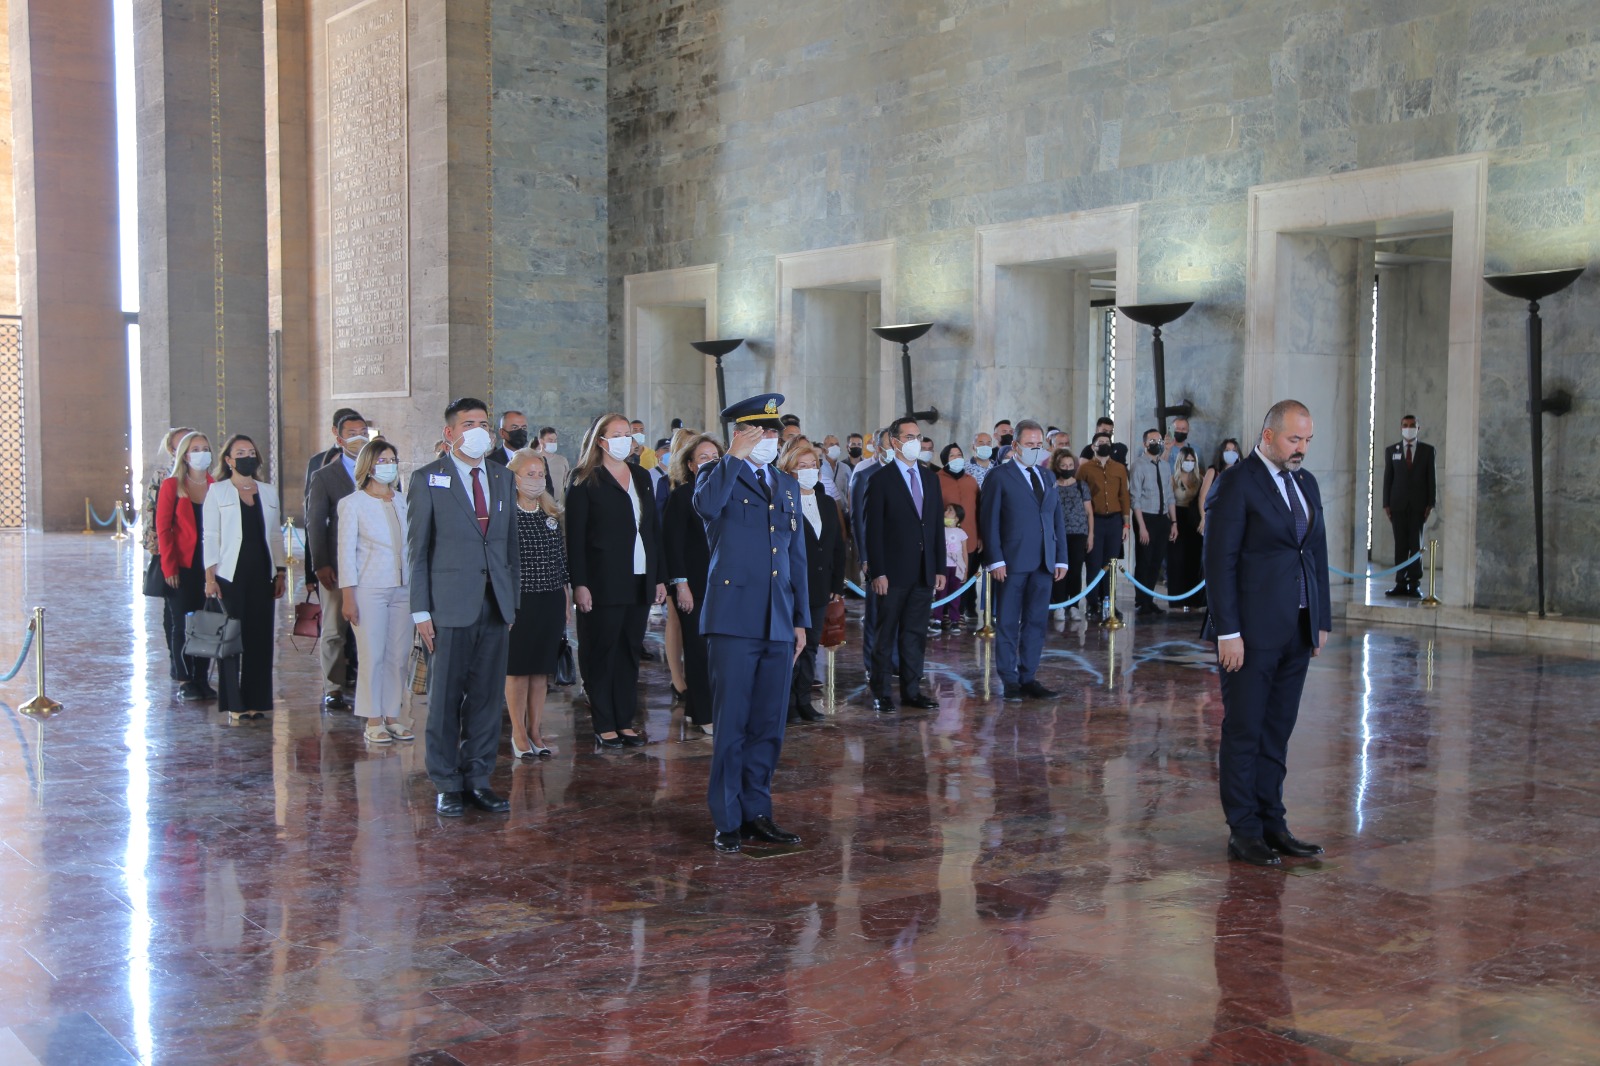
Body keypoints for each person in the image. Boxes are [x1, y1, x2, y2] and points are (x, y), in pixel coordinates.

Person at [1205, 399, 1331, 867]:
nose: (1301, 449)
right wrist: (1227, 632)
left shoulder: (1306, 483)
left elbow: (1314, 554)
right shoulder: (1237, 484)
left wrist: (1320, 620)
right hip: (1250, 633)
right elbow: (1219, 564)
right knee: (1245, 730)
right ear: (1268, 436)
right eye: (1294, 439)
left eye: (1307, 440)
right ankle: (1244, 830)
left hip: (1296, 629)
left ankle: (1273, 823)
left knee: (1277, 731)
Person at [693, 394, 809, 853]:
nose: (769, 440)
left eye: (774, 433)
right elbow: (706, 508)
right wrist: (732, 457)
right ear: (739, 435)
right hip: (733, 618)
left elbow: (794, 556)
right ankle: (726, 817)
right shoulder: (715, 475)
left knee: (768, 724)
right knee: (733, 724)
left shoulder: (785, 484)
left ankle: (758, 811)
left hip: (777, 620)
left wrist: (800, 619)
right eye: (759, 432)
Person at [407, 397, 521, 817]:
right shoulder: (427, 479)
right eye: (470, 423)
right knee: (444, 699)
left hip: (494, 605)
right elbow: (418, 552)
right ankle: (446, 781)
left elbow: (509, 548)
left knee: (488, 699)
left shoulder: (501, 478)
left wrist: (512, 603)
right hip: (448, 607)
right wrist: (421, 611)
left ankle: (478, 778)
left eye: (485, 423)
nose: (480, 430)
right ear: (450, 433)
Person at [566, 411, 666, 750]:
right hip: (601, 579)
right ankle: (603, 721)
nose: (626, 439)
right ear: (601, 440)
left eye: (629, 433)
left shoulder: (640, 475)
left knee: (628, 651)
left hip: (639, 577)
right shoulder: (584, 478)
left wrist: (659, 577)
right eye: (618, 433)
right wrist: (579, 582)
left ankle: (625, 720)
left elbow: (653, 529)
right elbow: (575, 537)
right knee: (601, 650)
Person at [979, 420, 1068, 701]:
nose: (1034, 449)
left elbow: (1056, 520)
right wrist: (995, 560)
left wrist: (1061, 558)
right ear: (1015, 445)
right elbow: (989, 521)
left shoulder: (1047, 476)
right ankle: (1010, 680)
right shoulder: (999, 476)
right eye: (1029, 444)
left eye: (1038, 445)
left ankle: (1028, 676)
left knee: (1036, 622)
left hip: (1044, 561)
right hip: (1012, 562)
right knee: (1007, 622)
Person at [202, 435, 288, 722]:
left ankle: (256, 701)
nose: (247, 457)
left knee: (260, 638)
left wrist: (280, 571)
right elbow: (211, 536)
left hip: (261, 572)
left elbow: (275, 534)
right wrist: (210, 576)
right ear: (229, 460)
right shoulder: (218, 492)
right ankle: (234, 703)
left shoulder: (267, 491)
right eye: (241, 452)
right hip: (229, 574)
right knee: (231, 638)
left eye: (251, 452)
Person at [863, 416, 945, 713]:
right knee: (886, 635)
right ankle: (881, 692)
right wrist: (877, 571)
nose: (916, 442)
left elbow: (935, 526)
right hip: (892, 573)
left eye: (918, 436)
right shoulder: (880, 480)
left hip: (923, 570)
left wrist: (938, 567)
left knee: (915, 634)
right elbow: (872, 531)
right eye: (909, 437)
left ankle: (912, 690)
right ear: (895, 441)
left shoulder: (930, 478)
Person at [336, 438, 416, 744]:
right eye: (383, 460)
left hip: (403, 586)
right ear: (369, 466)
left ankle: (393, 715)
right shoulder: (353, 504)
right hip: (370, 587)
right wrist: (348, 596)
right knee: (373, 654)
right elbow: (346, 553)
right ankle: (373, 718)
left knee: (399, 655)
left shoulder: (403, 500)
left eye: (393, 459)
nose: (389, 465)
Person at [503, 449, 569, 758]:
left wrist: (565, 597)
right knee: (518, 669)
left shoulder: (551, 513)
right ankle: (518, 731)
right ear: (514, 477)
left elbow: (560, 559)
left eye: (540, 474)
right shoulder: (504, 514)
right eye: (529, 474)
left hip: (550, 597)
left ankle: (535, 730)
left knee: (541, 670)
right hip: (520, 600)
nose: (536, 480)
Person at [306, 411, 369, 709]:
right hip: (336, 564)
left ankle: (368, 682)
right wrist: (320, 563)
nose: (359, 437)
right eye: (352, 432)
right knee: (333, 630)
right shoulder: (325, 476)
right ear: (339, 436)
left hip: (372, 564)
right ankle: (332, 686)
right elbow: (315, 523)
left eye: (363, 431)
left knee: (369, 628)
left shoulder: (379, 468)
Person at [778, 438, 843, 723]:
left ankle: (803, 700)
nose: (808, 470)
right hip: (788, 586)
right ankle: (784, 703)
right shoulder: (780, 501)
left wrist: (836, 584)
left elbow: (837, 545)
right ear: (789, 471)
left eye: (812, 465)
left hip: (818, 587)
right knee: (788, 646)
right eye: (800, 466)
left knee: (811, 645)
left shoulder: (826, 502)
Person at [664, 433, 723, 736]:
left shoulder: (727, 492)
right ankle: (703, 713)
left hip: (723, 585)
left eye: (715, 456)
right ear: (689, 464)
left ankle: (699, 708)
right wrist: (680, 585)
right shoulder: (682, 495)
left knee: (719, 651)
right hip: (694, 584)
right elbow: (673, 545)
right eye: (703, 457)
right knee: (699, 651)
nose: (711, 461)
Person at [157, 431, 215, 700]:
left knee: (205, 623)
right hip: (181, 566)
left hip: (209, 566)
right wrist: (169, 568)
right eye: (195, 448)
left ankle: (202, 677)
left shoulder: (216, 485)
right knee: (182, 623)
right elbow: (164, 529)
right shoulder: (172, 485)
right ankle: (184, 679)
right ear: (185, 454)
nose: (201, 452)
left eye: (204, 447)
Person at [658, 426, 700, 705]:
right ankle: (677, 678)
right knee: (675, 619)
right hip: (673, 559)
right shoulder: (668, 484)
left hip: (698, 562)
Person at [1381, 414, 1436, 598]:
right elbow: (1388, 479)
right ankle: (1400, 583)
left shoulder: (1427, 451)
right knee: (1400, 546)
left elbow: (1431, 479)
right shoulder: (1392, 451)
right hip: (1397, 505)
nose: (1409, 428)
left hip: (1419, 505)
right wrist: (1386, 503)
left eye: (1412, 425)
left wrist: (1431, 502)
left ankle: (1414, 584)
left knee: (1415, 545)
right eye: (1405, 425)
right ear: (1400, 428)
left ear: (1418, 428)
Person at [1078, 430, 1130, 622]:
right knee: (1093, 563)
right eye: (1101, 442)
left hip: (1114, 521)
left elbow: (1124, 495)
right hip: (1095, 521)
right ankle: (1092, 603)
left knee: (1111, 564)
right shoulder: (1085, 469)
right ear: (1093, 446)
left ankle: (1110, 602)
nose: (1105, 444)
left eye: (1107, 441)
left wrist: (1126, 524)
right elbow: (1080, 496)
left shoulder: (1119, 468)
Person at [1129, 427, 1178, 616]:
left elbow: (1170, 495)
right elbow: (1135, 498)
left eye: (1158, 441)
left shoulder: (1165, 466)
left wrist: (1174, 522)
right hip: (1146, 517)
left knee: (1157, 561)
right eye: (1152, 441)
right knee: (1144, 560)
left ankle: (1150, 599)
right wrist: (1141, 526)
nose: (1156, 444)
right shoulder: (1138, 465)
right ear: (1144, 444)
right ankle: (1141, 600)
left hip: (1162, 518)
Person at [935, 442, 981, 628]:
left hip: (969, 537)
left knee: (963, 577)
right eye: (952, 455)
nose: (957, 458)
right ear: (945, 460)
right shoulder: (936, 479)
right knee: (944, 579)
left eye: (959, 454)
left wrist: (981, 536)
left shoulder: (971, 480)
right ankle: (942, 613)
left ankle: (958, 612)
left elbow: (979, 510)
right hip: (944, 541)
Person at [1049, 449, 1094, 620]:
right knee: (1059, 570)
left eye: (1070, 465)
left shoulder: (1082, 486)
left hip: (1079, 533)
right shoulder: (1052, 485)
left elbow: (1089, 512)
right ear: (1058, 467)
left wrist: (1090, 535)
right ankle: (1059, 604)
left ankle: (1074, 605)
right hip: (1058, 534)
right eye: (1064, 465)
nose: (1067, 468)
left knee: (1075, 570)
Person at [1170, 445, 1206, 610]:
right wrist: (1173, 523)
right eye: (1186, 460)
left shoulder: (1200, 478)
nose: (1189, 463)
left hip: (1195, 521)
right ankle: (1177, 599)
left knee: (1194, 559)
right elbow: (1170, 502)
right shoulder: (1173, 479)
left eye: (1192, 461)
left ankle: (1194, 599)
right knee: (1177, 560)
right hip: (1178, 518)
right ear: (1180, 461)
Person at [1198, 438, 1243, 536]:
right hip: (1216, 518)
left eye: (1234, 450)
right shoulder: (1213, 471)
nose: (1230, 453)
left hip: (1236, 519)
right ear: (1221, 453)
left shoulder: (1243, 474)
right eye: (1227, 450)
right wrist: (1203, 518)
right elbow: (1203, 496)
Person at [936, 503, 968, 632]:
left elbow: (964, 552)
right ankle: (937, 619)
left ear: (957, 518)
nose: (945, 513)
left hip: (956, 568)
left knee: (955, 595)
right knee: (940, 594)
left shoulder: (961, 533)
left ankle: (955, 620)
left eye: (950, 511)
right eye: (946, 510)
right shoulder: (940, 531)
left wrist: (965, 570)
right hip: (943, 568)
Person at [535, 426, 572, 503]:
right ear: (541, 441)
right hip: (539, 501)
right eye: (550, 440)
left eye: (555, 440)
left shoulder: (562, 460)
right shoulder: (534, 459)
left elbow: (567, 482)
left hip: (559, 503)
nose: (553, 443)